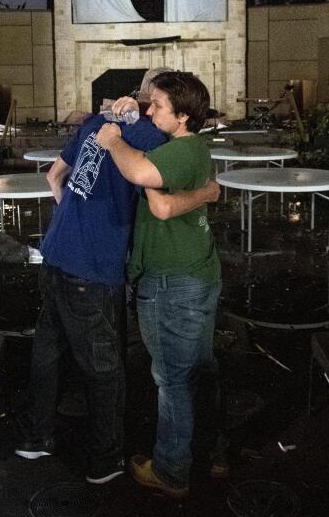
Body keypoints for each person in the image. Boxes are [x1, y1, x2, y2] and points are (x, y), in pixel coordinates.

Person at [15, 67, 218, 485]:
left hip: (55, 252)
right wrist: (209, 190)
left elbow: (56, 176)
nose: (153, 106)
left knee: (48, 352)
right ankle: (105, 460)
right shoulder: (153, 139)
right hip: (93, 266)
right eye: (155, 101)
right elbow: (157, 186)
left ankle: (38, 437)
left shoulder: (99, 119)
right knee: (104, 367)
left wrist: (73, 223)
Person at [95, 70, 220, 498]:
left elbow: (142, 177)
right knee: (198, 370)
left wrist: (113, 142)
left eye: (159, 106)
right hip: (195, 274)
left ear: (183, 117)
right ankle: (212, 451)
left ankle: (170, 470)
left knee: (172, 380)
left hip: (173, 282)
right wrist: (132, 105)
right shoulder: (190, 146)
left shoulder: (181, 151)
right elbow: (168, 203)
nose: (151, 110)